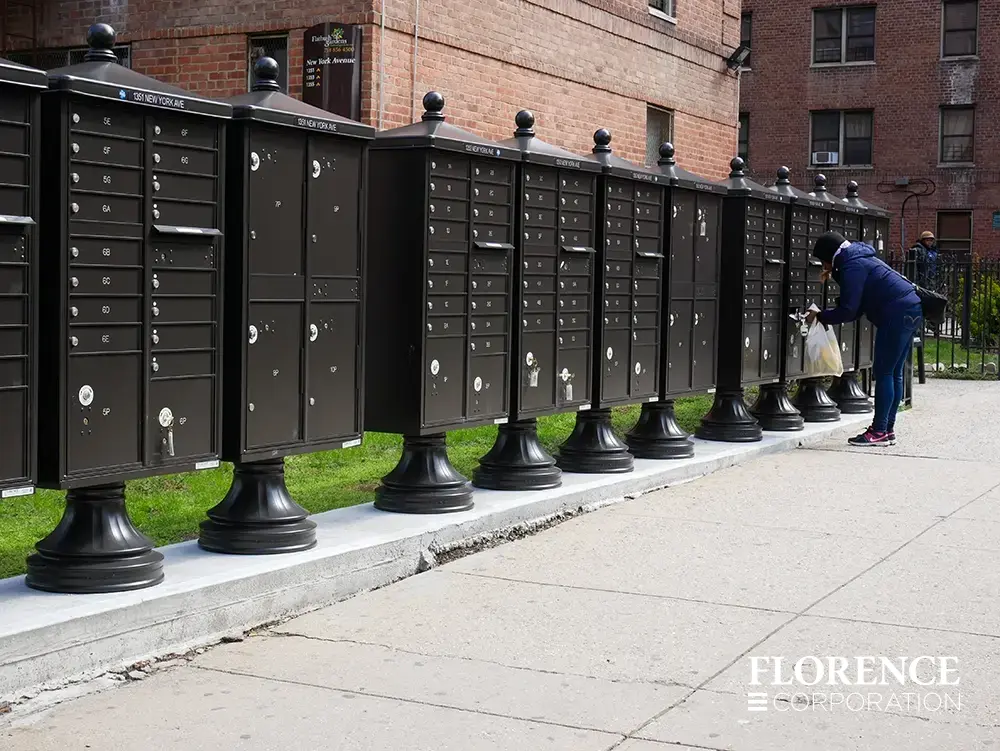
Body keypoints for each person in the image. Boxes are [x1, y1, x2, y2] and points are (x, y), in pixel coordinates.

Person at [806, 231, 922, 446]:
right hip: (912, 308)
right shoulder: (859, 258)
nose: (823, 265)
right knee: (894, 372)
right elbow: (858, 303)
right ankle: (887, 429)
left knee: (884, 372)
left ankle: (878, 431)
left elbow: (849, 311)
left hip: (895, 313)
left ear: (829, 255)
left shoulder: (851, 266)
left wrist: (821, 316)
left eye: (823, 261)